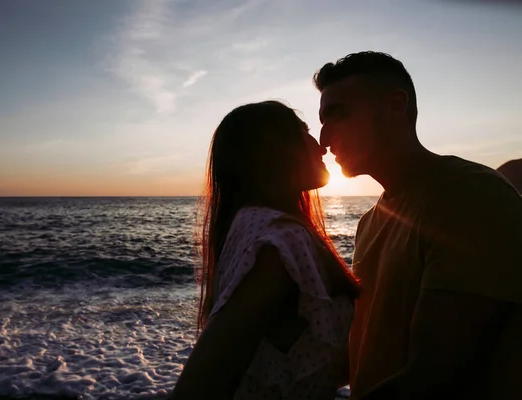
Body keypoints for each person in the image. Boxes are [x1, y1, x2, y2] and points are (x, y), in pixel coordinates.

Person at [313, 51, 522, 400]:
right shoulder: (370, 223)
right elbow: (365, 353)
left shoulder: (469, 195)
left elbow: (435, 375)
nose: (324, 139)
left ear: (396, 106)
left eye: (339, 114)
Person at [172, 100, 361, 399]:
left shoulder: (248, 223)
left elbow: (296, 364)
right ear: (275, 148)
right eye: (305, 131)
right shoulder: (279, 239)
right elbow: (199, 386)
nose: (321, 145)